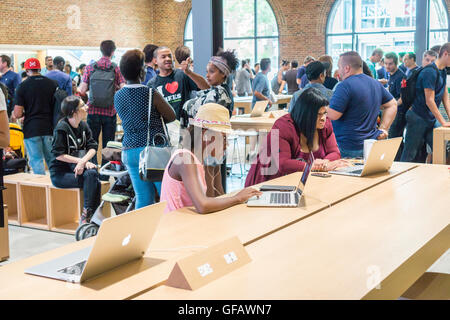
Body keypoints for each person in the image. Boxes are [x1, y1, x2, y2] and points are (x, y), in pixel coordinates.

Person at [160, 103, 261, 214]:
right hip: (175, 226)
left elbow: (211, 199)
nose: (226, 144)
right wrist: (237, 198)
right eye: (223, 138)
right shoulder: (185, 159)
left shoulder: (198, 159)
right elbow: (202, 205)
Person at [245, 88, 346, 187]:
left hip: (298, 183)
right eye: (318, 115)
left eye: (325, 113)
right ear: (306, 115)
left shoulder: (325, 125)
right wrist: (315, 166)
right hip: (267, 183)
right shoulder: (281, 126)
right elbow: (282, 164)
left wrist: (323, 164)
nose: (323, 118)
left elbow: (335, 152)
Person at [114, 49, 176, 209]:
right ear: (142, 71)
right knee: (165, 195)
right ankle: (169, 231)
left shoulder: (118, 95)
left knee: (143, 197)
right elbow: (171, 116)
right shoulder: (150, 93)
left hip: (129, 151)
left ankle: (142, 232)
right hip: (152, 152)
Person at [327, 51, 397, 159]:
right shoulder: (375, 83)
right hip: (370, 144)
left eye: (339, 67)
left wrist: (321, 108)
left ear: (346, 68)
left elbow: (333, 115)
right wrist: (384, 128)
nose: (338, 71)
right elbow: (392, 104)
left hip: (347, 146)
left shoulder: (344, 86)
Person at [49, 96, 101, 225]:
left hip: (77, 169)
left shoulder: (83, 125)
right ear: (73, 112)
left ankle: (90, 214)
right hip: (61, 174)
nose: (87, 107)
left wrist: (82, 161)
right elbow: (59, 155)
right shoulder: (62, 128)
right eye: (83, 105)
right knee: (93, 179)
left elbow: (93, 147)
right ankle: (89, 215)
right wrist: (81, 161)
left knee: (93, 176)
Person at [79, 40, 126, 179]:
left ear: (101, 50)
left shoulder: (90, 67)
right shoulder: (115, 68)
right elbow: (123, 88)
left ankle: (93, 171)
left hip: (93, 112)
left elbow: (82, 90)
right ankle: (105, 175)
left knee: (92, 143)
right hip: (110, 112)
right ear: (113, 52)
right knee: (108, 144)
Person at [401, 43, 450, 162]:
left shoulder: (442, 71)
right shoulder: (430, 72)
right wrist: (443, 121)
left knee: (441, 150)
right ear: (446, 54)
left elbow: (445, 96)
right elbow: (429, 100)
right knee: (410, 154)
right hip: (417, 117)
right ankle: (399, 179)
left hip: (430, 118)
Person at [12, 58, 57, 175]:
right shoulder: (52, 84)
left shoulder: (22, 86)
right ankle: (56, 188)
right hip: (50, 128)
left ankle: (41, 190)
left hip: (31, 129)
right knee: (53, 160)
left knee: (37, 162)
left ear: (27, 70)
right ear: (39, 69)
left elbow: (17, 113)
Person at [180, 50, 238, 128]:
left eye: (211, 72)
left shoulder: (220, 93)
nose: (207, 75)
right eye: (207, 72)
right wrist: (188, 72)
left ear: (223, 73)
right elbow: (205, 86)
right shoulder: (215, 91)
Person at [148, 46, 209, 120]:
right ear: (155, 61)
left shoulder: (182, 74)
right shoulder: (151, 84)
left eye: (169, 56)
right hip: (166, 127)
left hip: (186, 125)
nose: (168, 59)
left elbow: (206, 87)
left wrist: (189, 73)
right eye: (163, 57)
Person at [384, 52, 406, 160]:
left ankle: (396, 163)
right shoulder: (391, 75)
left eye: (390, 64)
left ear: (396, 63)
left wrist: (391, 106)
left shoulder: (400, 77)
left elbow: (402, 98)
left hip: (398, 112)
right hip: (393, 111)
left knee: (394, 140)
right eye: (386, 63)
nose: (387, 66)